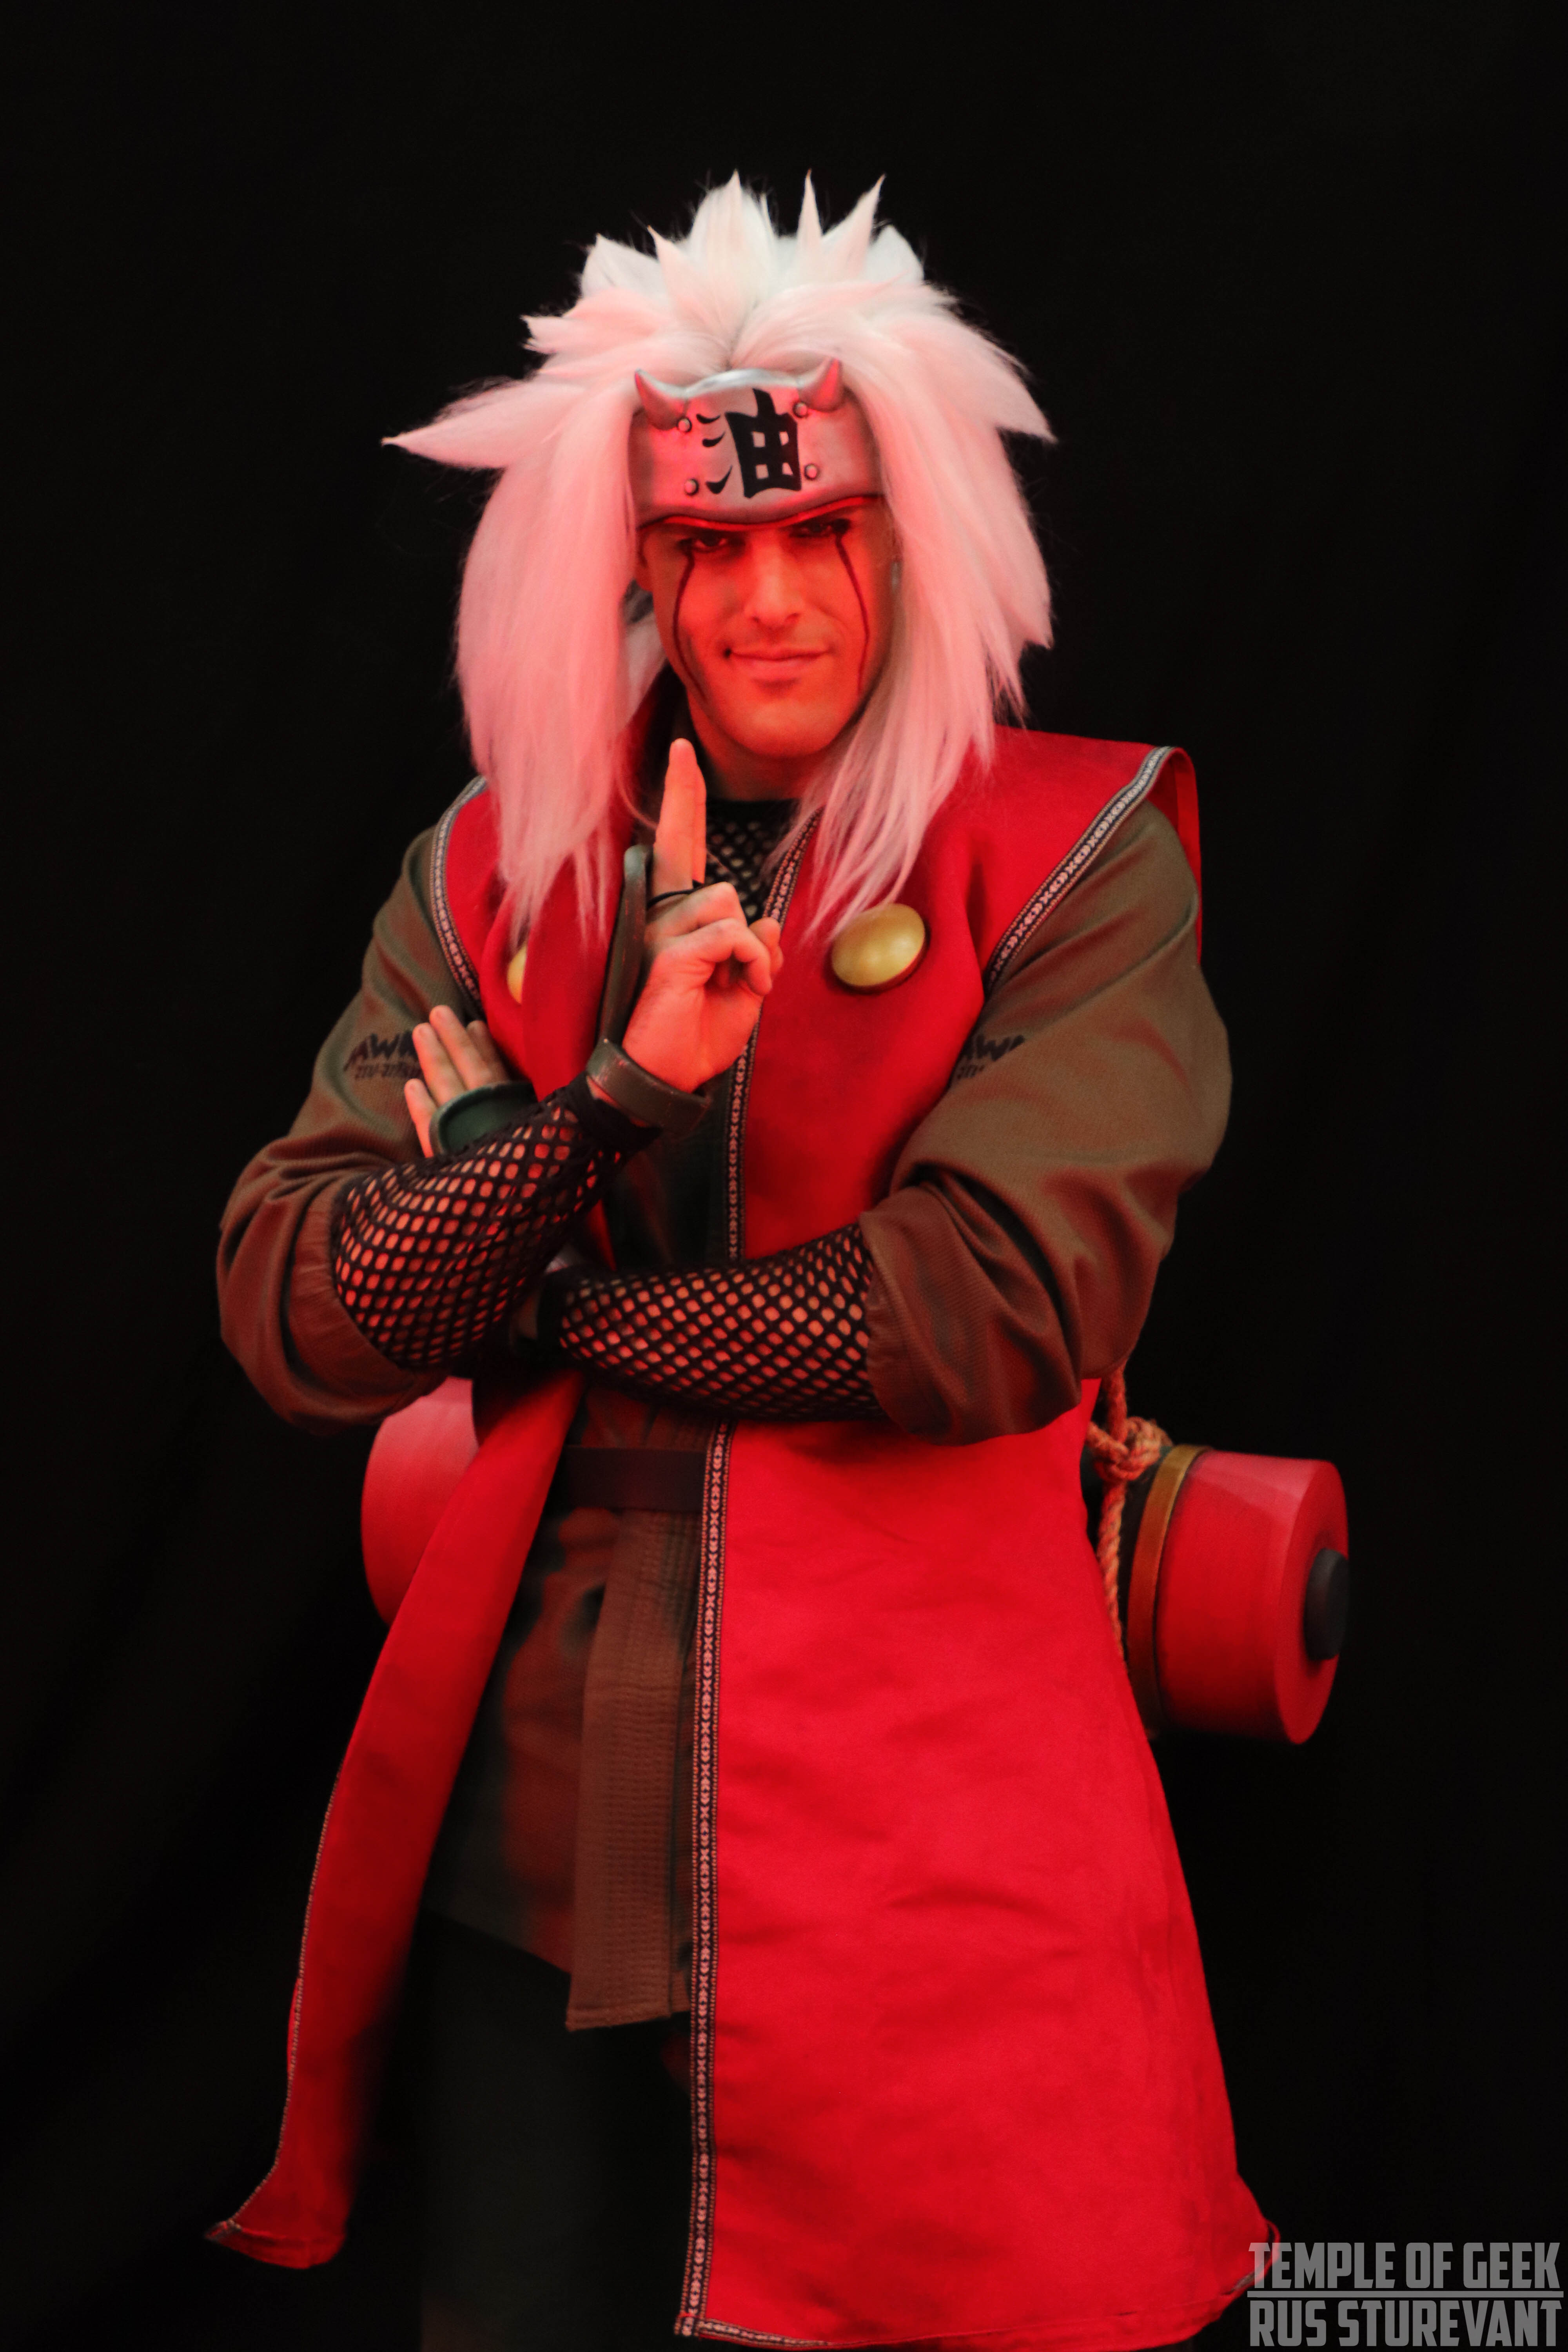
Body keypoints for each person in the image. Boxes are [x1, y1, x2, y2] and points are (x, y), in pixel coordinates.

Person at [214, 176, 1266, 2352]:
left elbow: (980, 1307)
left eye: (823, 533)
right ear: (640, 567)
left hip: (932, 1835)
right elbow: (302, 1307)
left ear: (913, 539)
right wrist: (608, 1108)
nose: (768, 600)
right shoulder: (496, 872)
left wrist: (533, 1277)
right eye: (709, 546)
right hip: (535, 1843)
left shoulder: (1070, 856)